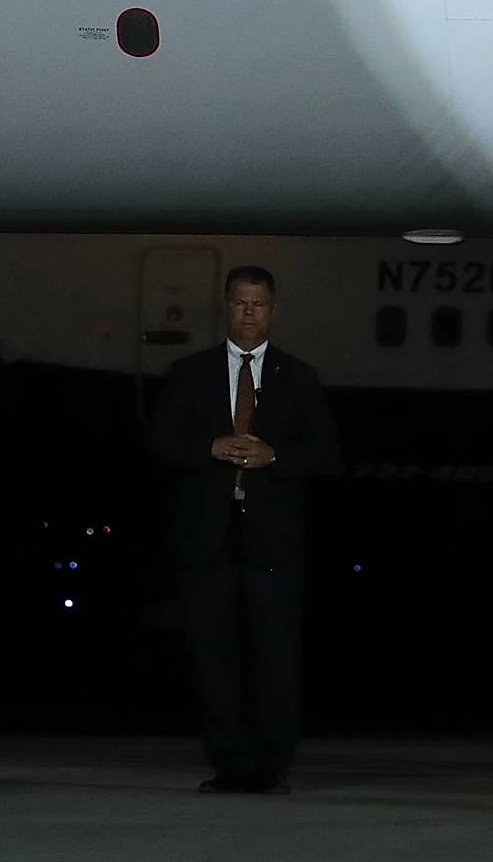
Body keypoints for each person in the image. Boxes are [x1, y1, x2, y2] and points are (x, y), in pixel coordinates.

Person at [145, 266, 339, 793]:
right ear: (225, 308)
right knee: (214, 658)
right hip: (207, 540)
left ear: (272, 311)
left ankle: (270, 764)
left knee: (274, 658)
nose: (248, 313)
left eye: (257, 304)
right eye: (239, 304)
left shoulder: (298, 376)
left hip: (273, 543)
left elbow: (327, 452)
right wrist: (208, 447)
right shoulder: (189, 372)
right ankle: (229, 764)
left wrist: (273, 455)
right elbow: (158, 442)